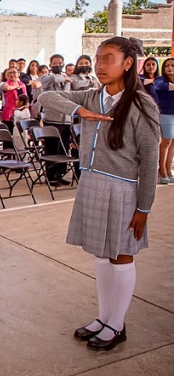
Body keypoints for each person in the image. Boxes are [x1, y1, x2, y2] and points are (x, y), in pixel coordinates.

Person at [38, 36, 160, 352]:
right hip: (91, 183)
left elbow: (149, 161)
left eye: (108, 58)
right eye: (97, 58)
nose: (100, 65)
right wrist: (82, 110)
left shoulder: (141, 104)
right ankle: (104, 318)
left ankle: (117, 324)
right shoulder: (94, 96)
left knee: (121, 255)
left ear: (128, 64)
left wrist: (143, 208)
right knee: (101, 254)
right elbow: (46, 96)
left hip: (121, 189)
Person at [40, 54, 73, 186]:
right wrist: (64, 77)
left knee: (64, 148)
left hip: (66, 118)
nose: (58, 65)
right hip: (52, 118)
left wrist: (65, 78)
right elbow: (52, 79)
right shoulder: (46, 77)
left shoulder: (66, 79)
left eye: (60, 63)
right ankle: (50, 176)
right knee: (52, 148)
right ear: (50, 64)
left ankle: (60, 174)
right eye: (55, 63)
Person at [153, 57, 174, 184]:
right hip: (165, 114)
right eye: (167, 66)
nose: (170, 68)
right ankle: (161, 170)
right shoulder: (160, 80)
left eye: (172, 65)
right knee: (166, 141)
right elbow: (161, 87)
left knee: (172, 143)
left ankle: (168, 169)